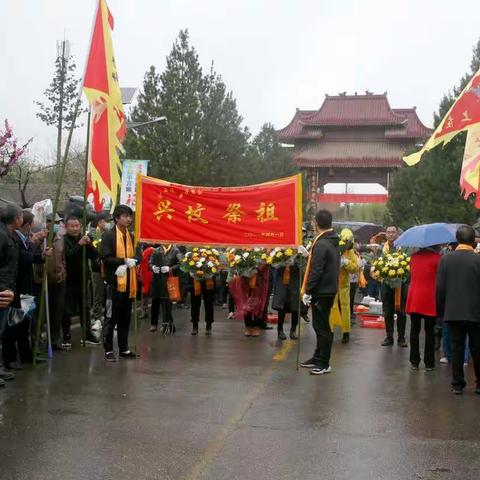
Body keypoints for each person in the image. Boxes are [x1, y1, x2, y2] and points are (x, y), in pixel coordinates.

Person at [436, 225, 480, 395]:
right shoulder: (478, 260)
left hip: (453, 312)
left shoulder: (446, 260)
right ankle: (478, 384)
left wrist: (441, 312)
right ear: (473, 242)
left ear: (457, 240)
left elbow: (440, 289)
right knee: (477, 349)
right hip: (476, 313)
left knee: (456, 348)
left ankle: (457, 384)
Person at [3, 211, 46, 368]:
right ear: (26, 225)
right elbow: (23, 257)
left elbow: (30, 256)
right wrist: (37, 252)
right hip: (18, 288)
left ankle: (26, 353)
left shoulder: (25, 239)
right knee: (14, 324)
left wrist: (41, 255)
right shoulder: (13, 238)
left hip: (28, 289)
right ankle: (10, 358)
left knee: (25, 323)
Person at [300, 209, 340, 375]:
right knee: (320, 326)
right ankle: (318, 357)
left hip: (322, 291)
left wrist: (308, 291)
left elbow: (316, 270)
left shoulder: (322, 243)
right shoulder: (329, 241)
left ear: (316, 223)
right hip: (327, 290)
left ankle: (324, 363)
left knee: (322, 328)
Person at [100, 205, 140, 361]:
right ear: (117, 218)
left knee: (125, 317)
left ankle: (124, 348)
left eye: (130, 216)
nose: (129, 219)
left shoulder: (131, 235)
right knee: (111, 317)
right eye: (125, 216)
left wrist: (133, 260)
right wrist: (123, 261)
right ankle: (108, 349)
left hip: (129, 283)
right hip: (114, 283)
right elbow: (105, 257)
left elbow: (139, 255)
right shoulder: (108, 236)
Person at [63, 216, 100, 346]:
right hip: (68, 280)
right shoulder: (64, 240)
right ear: (66, 227)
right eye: (72, 226)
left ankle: (87, 334)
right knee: (67, 309)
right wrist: (79, 245)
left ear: (80, 227)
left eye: (77, 226)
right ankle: (66, 336)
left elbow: (95, 255)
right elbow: (69, 256)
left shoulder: (83, 238)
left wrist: (89, 244)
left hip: (83, 279)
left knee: (85, 308)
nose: (75, 228)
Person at [406, 246, 441, 371]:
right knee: (430, 332)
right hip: (430, 297)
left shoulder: (414, 257)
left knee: (414, 330)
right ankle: (429, 362)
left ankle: (414, 361)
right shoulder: (437, 258)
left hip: (415, 296)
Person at [0, 205, 22, 386]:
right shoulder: (2, 236)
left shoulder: (11, 236)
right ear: (15, 219)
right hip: (2, 290)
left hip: (9, 288)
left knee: (3, 329)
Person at [377, 225, 408, 347]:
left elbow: (407, 263)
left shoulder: (403, 247)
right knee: (388, 312)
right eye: (388, 232)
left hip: (401, 284)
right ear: (385, 234)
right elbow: (376, 263)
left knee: (401, 312)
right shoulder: (381, 249)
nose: (390, 234)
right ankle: (389, 336)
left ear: (397, 234)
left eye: (393, 232)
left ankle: (401, 338)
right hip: (386, 284)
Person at [329, 229, 361, 344]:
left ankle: (346, 332)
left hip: (344, 286)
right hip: (332, 284)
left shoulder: (351, 252)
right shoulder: (335, 247)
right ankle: (330, 331)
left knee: (345, 309)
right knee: (332, 309)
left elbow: (355, 268)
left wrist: (346, 263)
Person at [149, 244, 180, 334]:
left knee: (167, 302)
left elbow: (180, 263)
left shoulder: (175, 250)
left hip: (168, 279)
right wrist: (153, 267)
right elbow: (150, 262)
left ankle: (166, 323)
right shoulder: (156, 250)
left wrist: (170, 268)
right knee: (155, 301)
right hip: (157, 279)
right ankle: (153, 324)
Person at [89, 212, 111, 330]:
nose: (107, 224)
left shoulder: (108, 234)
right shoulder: (92, 234)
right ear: (100, 222)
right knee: (98, 293)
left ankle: (109, 316)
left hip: (108, 268)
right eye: (105, 221)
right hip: (97, 269)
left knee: (109, 294)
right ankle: (97, 318)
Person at [271, 260, 301, 340]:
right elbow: (273, 262)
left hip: (295, 277)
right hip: (282, 277)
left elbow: (304, 262)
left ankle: (293, 330)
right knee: (282, 305)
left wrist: (297, 262)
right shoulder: (282, 248)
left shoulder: (300, 249)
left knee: (295, 305)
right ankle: (280, 330)